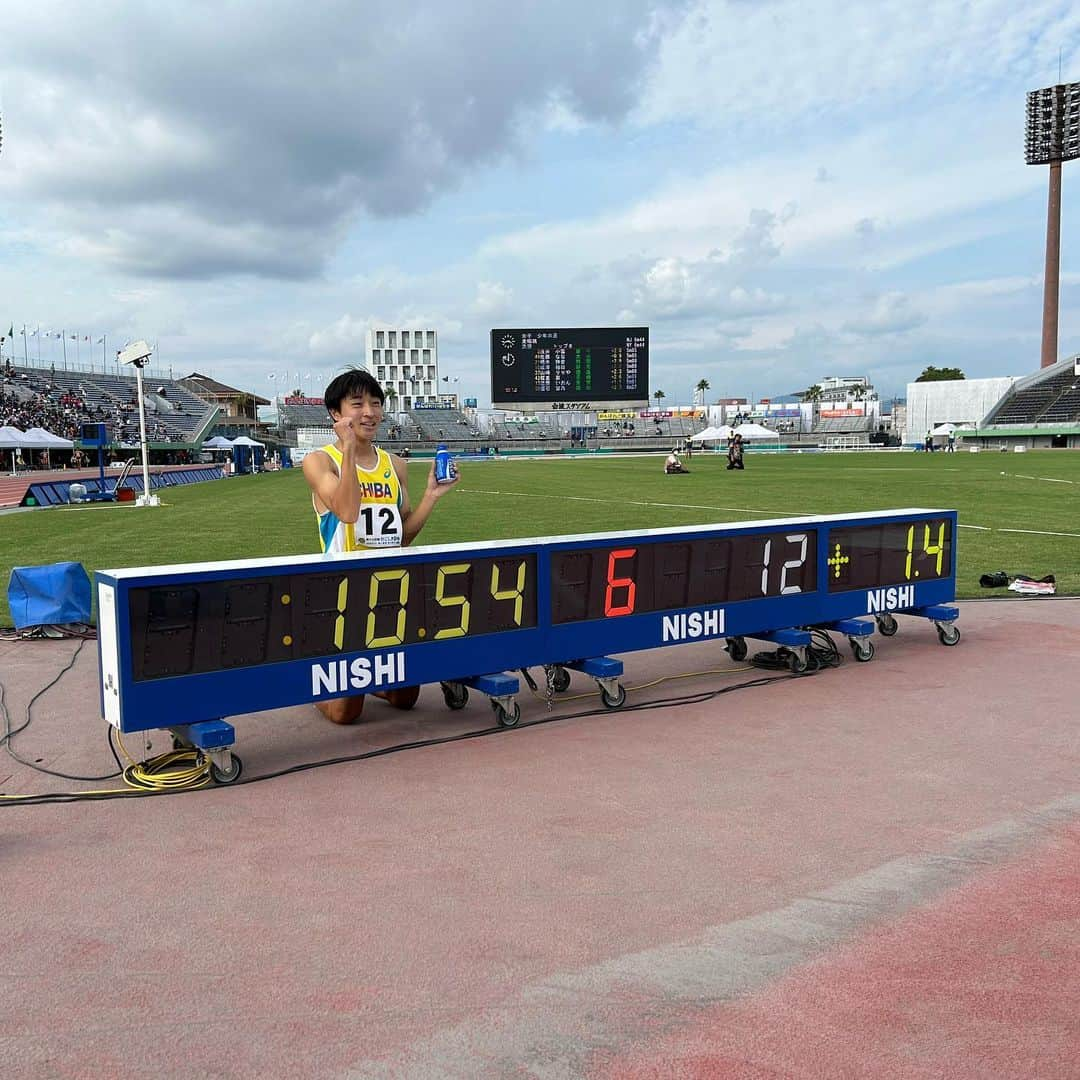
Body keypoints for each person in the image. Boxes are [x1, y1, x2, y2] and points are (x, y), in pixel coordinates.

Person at [302, 369, 459, 725]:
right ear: (336, 413)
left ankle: (365, 684)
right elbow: (346, 511)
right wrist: (347, 452)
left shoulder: (395, 465)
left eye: (376, 403)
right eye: (357, 404)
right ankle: (318, 691)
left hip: (390, 590)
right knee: (346, 714)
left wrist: (431, 496)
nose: (369, 412)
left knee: (406, 697)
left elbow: (401, 536)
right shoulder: (320, 461)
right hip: (342, 592)